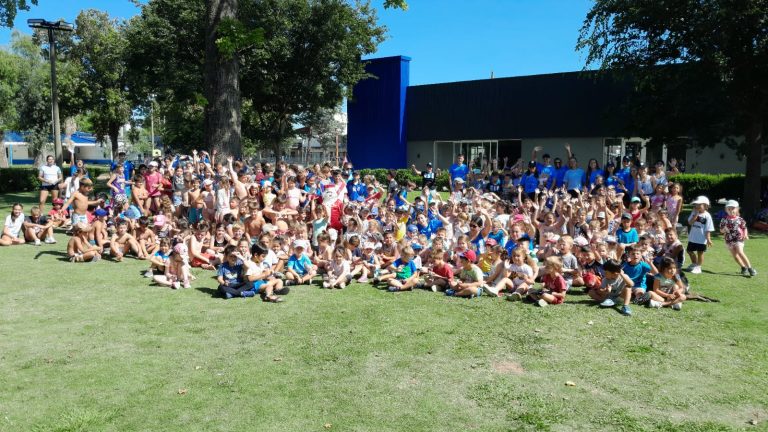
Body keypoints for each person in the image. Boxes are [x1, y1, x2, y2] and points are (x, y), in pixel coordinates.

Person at [719, 200, 756, 277]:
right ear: (726, 210)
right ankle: (743, 268)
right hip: (728, 240)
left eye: (733, 208)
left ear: (737, 209)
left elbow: (744, 228)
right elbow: (721, 230)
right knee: (735, 255)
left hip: (738, 239)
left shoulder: (740, 219)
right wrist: (724, 229)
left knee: (740, 252)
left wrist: (745, 235)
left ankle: (750, 268)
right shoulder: (724, 219)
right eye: (729, 209)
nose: (731, 210)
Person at [686, 195, 714, 274]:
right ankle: (694, 264)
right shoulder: (694, 213)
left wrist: (708, 239)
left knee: (700, 253)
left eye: (699, 205)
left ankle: (698, 267)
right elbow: (690, 222)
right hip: (693, 237)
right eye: (696, 205)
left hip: (701, 238)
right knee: (689, 250)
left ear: (705, 206)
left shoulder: (707, 216)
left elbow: (708, 228)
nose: (697, 206)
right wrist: (695, 215)